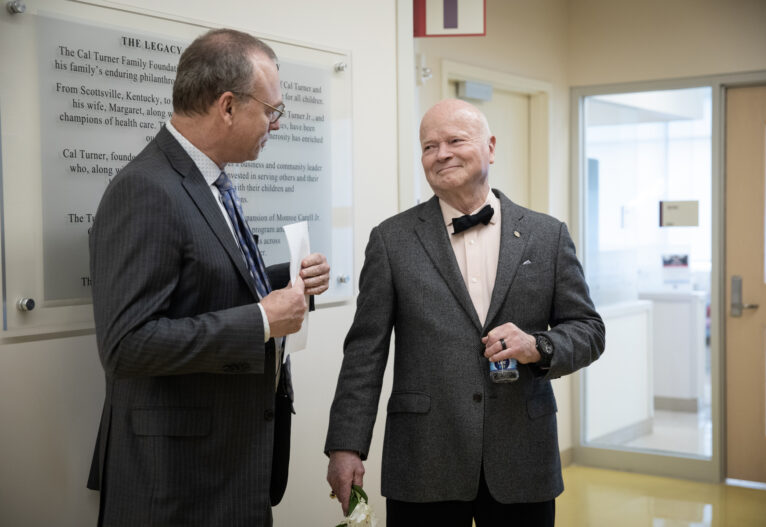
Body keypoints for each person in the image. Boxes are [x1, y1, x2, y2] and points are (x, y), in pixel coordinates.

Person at [87, 28, 330, 526]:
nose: (276, 126)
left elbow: (207, 279)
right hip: (179, 482)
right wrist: (263, 320)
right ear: (227, 106)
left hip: (228, 467)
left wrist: (286, 282)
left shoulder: (208, 178)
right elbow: (126, 344)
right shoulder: (145, 189)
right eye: (272, 111)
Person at [325, 99, 604, 526]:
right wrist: (347, 446)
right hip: (424, 457)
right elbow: (365, 352)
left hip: (522, 456)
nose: (442, 154)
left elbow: (589, 330)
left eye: (456, 140)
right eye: (429, 146)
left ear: (490, 147)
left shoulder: (547, 236)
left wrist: (538, 346)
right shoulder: (391, 240)